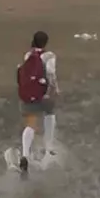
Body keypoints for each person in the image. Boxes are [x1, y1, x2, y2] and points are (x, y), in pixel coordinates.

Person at [17, 30, 59, 173]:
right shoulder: (49, 56)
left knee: (30, 124)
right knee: (50, 114)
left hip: (29, 94)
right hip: (44, 93)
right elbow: (51, 75)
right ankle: (49, 147)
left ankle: (25, 154)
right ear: (46, 42)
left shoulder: (28, 55)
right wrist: (54, 91)